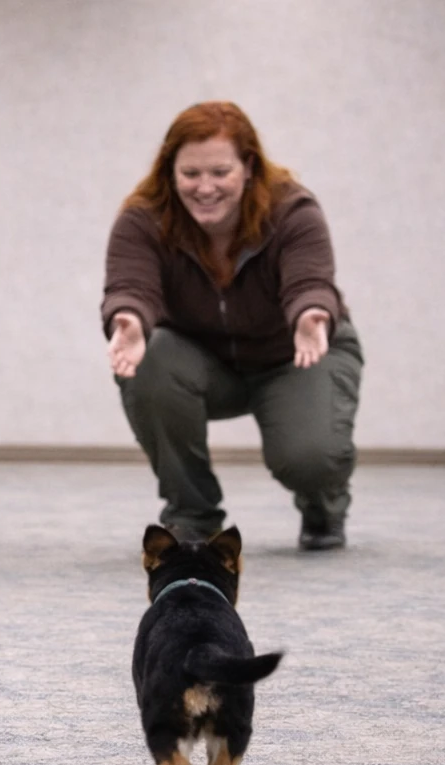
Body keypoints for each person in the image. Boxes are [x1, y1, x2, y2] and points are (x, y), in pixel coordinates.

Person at [101, 100, 363, 551]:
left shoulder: (291, 210)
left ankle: (323, 503)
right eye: (191, 174)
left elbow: (309, 280)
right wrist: (128, 321)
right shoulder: (143, 218)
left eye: (220, 172)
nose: (205, 187)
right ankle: (192, 514)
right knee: (151, 358)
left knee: (309, 458)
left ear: (248, 167)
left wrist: (311, 315)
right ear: (170, 171)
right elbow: (131, 285)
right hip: (203, 360)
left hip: (298, 350)